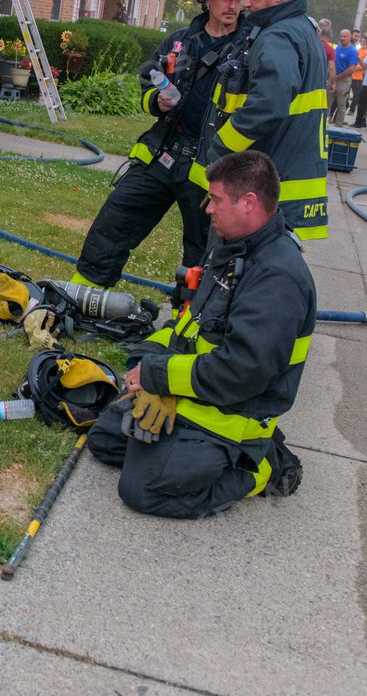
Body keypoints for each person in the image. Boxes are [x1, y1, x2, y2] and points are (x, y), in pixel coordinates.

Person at [87, 150, 314, 518]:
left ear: (249, 203)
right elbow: (191, 327)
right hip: (201, 394)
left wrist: (162, 378)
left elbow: (243, 371)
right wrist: (149, 364)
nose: (207, 207)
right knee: (105, 441)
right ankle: (179, 452)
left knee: (140, 490)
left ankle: (258, 468)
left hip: (234, 412)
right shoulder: (231, 249)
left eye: (217, 200)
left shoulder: (277, 279)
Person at [71, 0, 247, 286]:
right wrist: (157, 101)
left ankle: (189, 322)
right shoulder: (179, 42)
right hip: (163, 152)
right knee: (115, 221)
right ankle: (84, 299)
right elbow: (147, 77)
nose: (233, 5)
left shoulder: (248, 50)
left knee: (204, 251)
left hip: (210, 163)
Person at [197, 0, 329, 241]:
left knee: (229, 272)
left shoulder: (278, 36)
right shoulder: (303, 31)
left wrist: (221, 147)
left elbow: (267, 105)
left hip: (267, 186)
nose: (246, 3)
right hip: (288, 178)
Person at [330, 28, 361, 126]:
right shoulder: (338, 47)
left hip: (344, 80)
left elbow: (352, 68)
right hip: (333, 78)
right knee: (327, 102)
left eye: (344, 36)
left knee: (341, 104)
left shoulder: (352, 51)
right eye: (341, 36)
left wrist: (338, 77)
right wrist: (333, 77)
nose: (342, 38)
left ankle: (338, 125)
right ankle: (324, 122)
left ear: (349, 37)